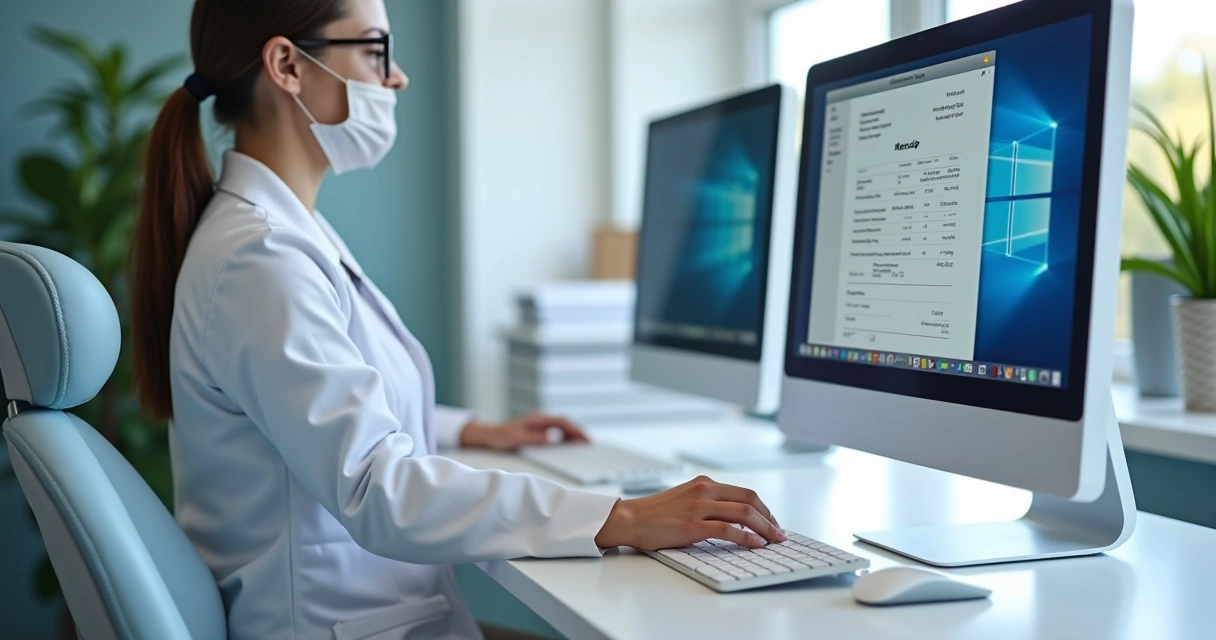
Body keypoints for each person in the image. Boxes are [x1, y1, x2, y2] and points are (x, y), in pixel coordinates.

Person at [129, 1, 784, 638]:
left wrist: (474, 429)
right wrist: (621, 516)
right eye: (376, 49)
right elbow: (377, 486)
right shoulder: (261, 256)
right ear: (287, 66)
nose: (397, 77)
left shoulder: (275, 237)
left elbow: (321, 408)